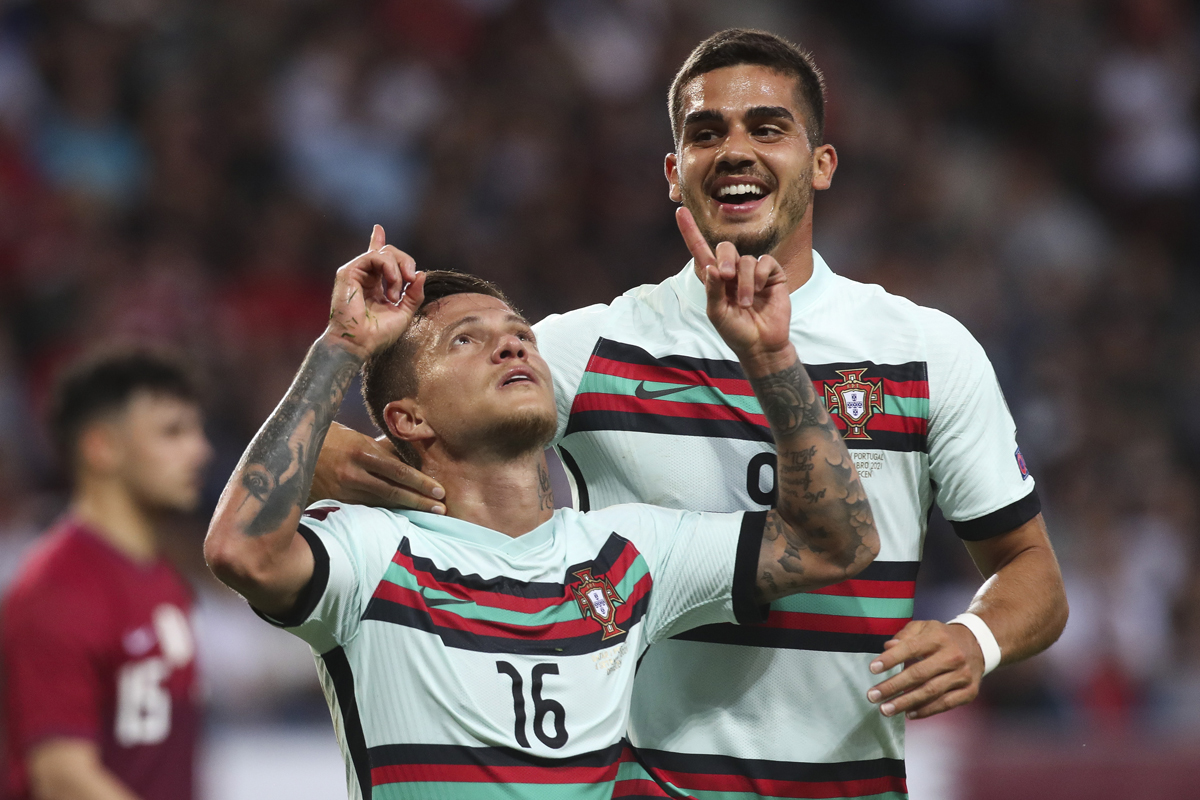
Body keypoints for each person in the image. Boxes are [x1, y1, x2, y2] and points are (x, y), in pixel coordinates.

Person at [314, 27, 1072, 800]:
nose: (735, 150)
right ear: (676, 174)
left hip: (854, 784)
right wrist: (338, 457)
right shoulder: (588, 346)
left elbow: (1030, 567)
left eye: (767, 128)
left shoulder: (924, 349)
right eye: (706, 133)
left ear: (822, 164)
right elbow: (425, 433)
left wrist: (976, 639)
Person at [202, 226, 879, 800]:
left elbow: (834, 544)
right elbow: (241, 550)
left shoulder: (626, 555)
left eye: (521, 334)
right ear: (407, 418)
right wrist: (342, 348)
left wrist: (771, 357)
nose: (513, 345)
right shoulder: (373, 552)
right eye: (465, 340)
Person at [1, 351, 212, 800]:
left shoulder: (161, 578)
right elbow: (61, 776)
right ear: (101, 447)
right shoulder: (55, 591)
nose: (200, 450)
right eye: (172, 432)